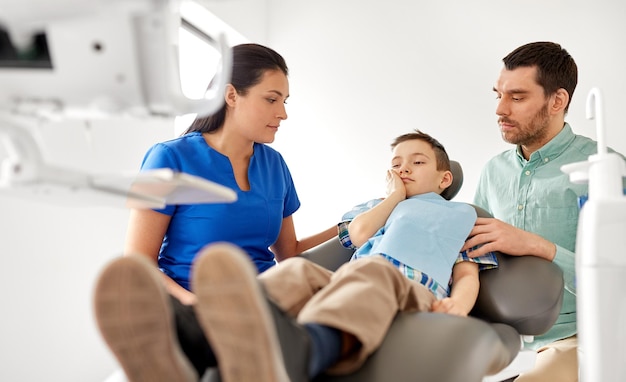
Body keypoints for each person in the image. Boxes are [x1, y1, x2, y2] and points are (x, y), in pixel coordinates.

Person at [95, 130, 497, 382]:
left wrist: (458, 305)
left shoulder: (461, 215)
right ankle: (198, 334)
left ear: (445, 179)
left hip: (412, 291)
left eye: (417, 162)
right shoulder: (380, 206)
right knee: (297, 274)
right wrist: (391, 196)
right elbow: (357, 235)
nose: (404, 169)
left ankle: (307, 347)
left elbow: (468, 273)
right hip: (353, 279)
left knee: (376, 273)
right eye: (395, 165)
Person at [94, 43, 337, 381]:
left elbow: (290, 252)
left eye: (284, 101)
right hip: (193, 303)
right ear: (231, 95)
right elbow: (139, 263)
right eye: (271, 99)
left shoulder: (275, 166)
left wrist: (347, 229)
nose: (282, 113)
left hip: (261, 299)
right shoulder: (168, 158)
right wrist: (194, 304)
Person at [461, 41, 626, 382]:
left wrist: (538, 247)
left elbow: (619, 279)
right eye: (499, 95)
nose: (500, 109)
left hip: (575, 338)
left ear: (558, 101)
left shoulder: (606, 169)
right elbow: (474, 259)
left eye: (517, 97)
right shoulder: (494, 171)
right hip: (499, 337)